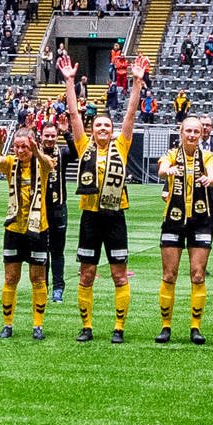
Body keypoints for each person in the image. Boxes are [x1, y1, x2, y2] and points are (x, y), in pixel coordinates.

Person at [59, 51, 146, 343]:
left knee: (119, 275)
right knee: (86, 274)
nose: (103, 129)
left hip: (115, 217)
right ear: (93, 129)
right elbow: (74, 115)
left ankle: (119, 328)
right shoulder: (83, 145)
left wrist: (136, 82)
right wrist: (69, 82)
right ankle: (87, 327)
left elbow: (130, 115)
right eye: (99, 126)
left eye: (107, 126)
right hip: (90, 217)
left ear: (112, 130)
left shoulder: (122, 145)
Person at [156, 114, 213, 344]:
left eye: (196, 131)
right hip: (173, 219)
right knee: (169, 274)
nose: (192, 135)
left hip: (200, 220)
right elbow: (162, 168)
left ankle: (195, 328)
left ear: (201, 134)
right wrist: (168, 171)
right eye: (188, 131)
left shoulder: (208, 156)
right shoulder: (172, 155)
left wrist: (209, 179)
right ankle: (165, 327)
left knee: (198, 274)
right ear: (181, 132)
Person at [0, 124, 57, 339]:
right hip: (14, 229)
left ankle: (38, 325)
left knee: (37, 278)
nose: (20, 151)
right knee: (11, 277)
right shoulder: (11, 163)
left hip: (38, 228)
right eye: (17, 147)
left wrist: (36, 151)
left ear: (33, 146)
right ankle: (7, 324)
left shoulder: (41, 162)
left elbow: (49, 165)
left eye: (25, 147)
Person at [40, 118, 72, 304]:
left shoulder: (63, 153)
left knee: (57, 251)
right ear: (41, 136)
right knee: (41, 251)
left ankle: (58, 288)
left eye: (53, 136)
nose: (50, 139)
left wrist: (66, 132)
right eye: (47, 135)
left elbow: (77, 151)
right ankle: (42, 287)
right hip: (39, 210)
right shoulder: (35, 153)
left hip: (58, 209)